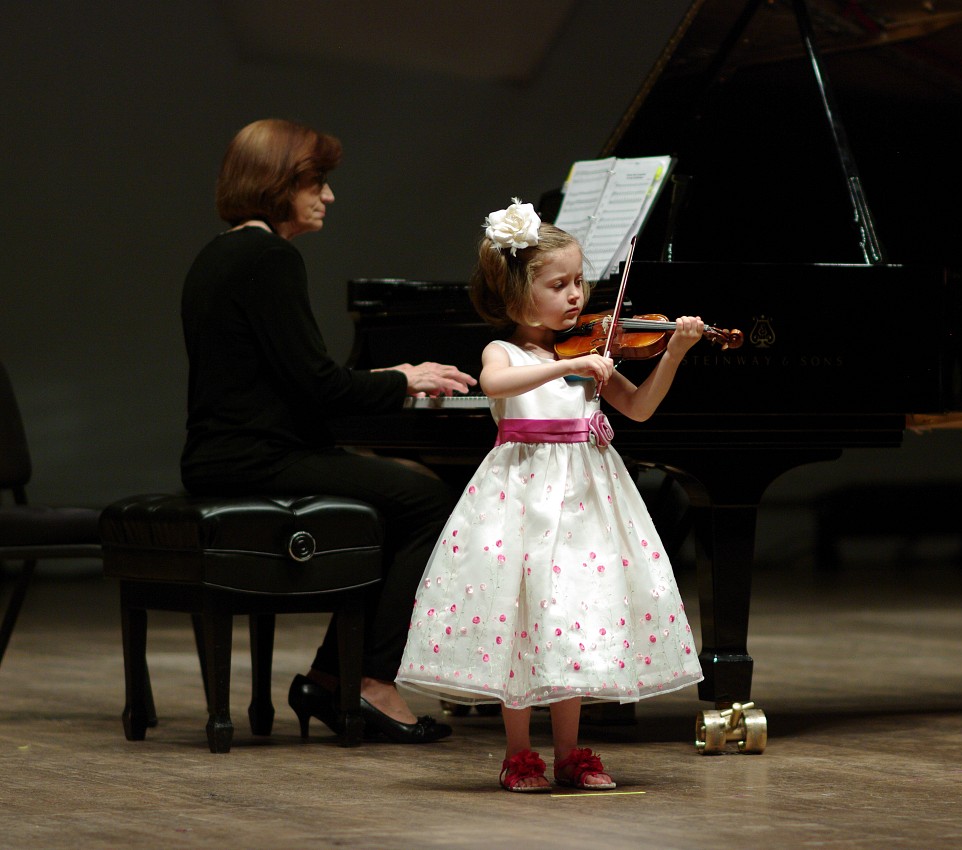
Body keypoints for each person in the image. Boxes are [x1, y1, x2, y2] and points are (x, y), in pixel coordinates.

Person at [181, 118, 477, 744]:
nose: (328, 195)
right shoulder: (269, 257)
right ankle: (369, 679)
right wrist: (404, 380)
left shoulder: (220, 254)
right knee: (428, 503)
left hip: (224, 456)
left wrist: (387, 376)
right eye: (317, 181)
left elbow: (293, 379)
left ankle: (331, 676)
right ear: (279, 182)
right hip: (258, 461)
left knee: (400, 496)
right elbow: (318, 386)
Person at [396, 199, 705, 791]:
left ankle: (571, 751)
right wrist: (568, 367)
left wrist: (674, 355)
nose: (574, 296)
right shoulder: (506, 352)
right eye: (557, 284)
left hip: (587, 502)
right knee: (520, 617)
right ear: (516, 293)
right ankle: (519, 753)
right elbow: (496, 383)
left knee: (572, 615)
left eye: (579, 282)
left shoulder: (588, 354)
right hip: (521, 500)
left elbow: (639, 409)